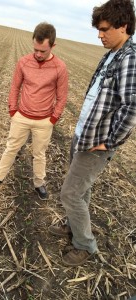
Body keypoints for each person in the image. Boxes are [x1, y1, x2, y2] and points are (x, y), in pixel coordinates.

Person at [48, 0, 136, 266]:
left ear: (124, 26)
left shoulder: (130, 58)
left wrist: (109, 142)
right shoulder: (112, 53)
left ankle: (85, 246)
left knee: (70, 193)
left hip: (97, 143)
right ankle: (74, 226)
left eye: (105, 29)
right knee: (80, 189)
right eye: (98, 29)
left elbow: (132, 106)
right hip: (84, 135)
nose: (100, 35)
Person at [0, 22, 68, 199]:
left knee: (39, 154)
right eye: (36, 49)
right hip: (21, 117)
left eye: (43, 51)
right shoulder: (23, 62)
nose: (38, 54)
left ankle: (39, 183)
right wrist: (12, 111)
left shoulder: (59, 67)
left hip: (44, 121)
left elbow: (62, 97)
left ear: (53, 45)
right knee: (11, 148)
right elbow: (15, 88)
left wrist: (53, 119)